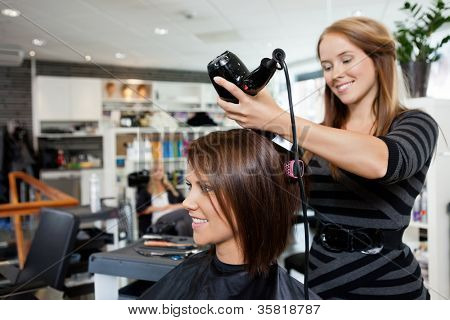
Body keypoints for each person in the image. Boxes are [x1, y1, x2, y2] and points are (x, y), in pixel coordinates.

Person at [213, 17, 438, 299]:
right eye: (327, 66)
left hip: (388, 287)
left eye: (346, 60)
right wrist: (263, 128)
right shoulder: (317, 136)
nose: (335, 74)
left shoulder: (415, 123)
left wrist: (280, 120)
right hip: (320, 282)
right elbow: (282, 186)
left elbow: (383, 162)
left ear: (380, 59)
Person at [140, 129, 319, 299]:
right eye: (190, 186)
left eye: (206, 187)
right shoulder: (189, 272)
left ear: (253, 199)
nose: (187, 203)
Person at [136, 162, 192, 237]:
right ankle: (196, 242)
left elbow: (185, 203)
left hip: (173, 219)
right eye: (156, 171)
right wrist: (162, 208)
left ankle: (185, 246)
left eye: (161, 170)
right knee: (185, 212)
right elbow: (140, 210)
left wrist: (170, 207)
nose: (159, 173)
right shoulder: (146, 190)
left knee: (181, 225)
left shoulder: (170, 188)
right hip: (158, 221)